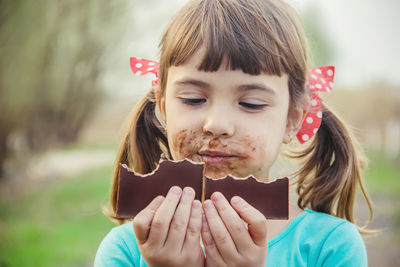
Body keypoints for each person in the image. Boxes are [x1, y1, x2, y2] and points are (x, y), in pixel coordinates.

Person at [94, 0, 376, 266]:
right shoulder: (126, 251)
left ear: (293, 120)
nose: (216, 124)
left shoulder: (330, 247)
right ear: (164, 108)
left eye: (250, 103)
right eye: (193, 98)